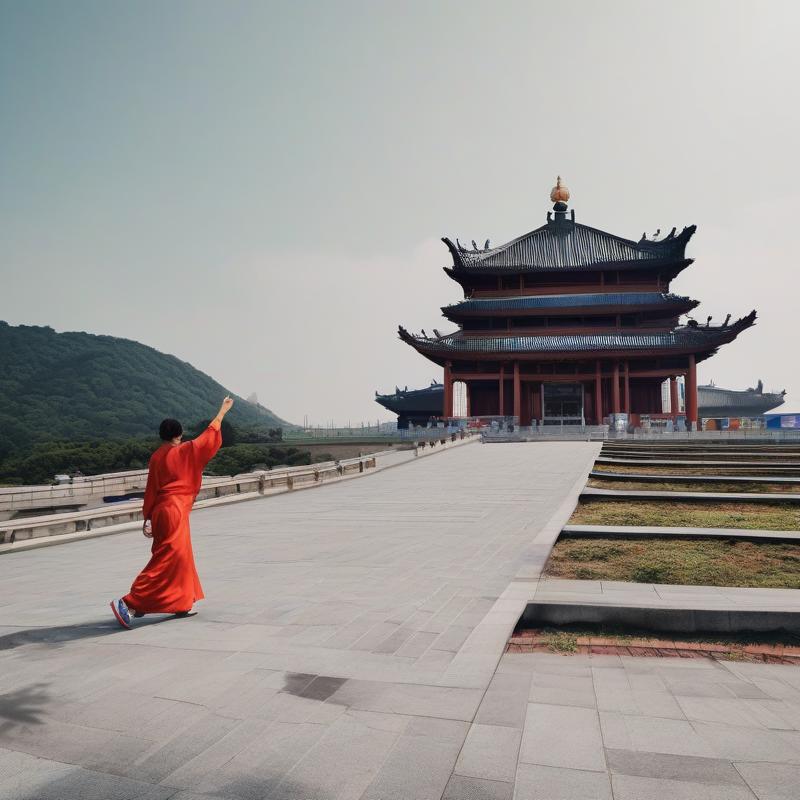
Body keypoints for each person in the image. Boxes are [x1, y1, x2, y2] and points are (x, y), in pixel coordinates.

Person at [110, 396, 234, 629]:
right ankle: (129, 603)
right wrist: (222, 411)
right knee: (168, 558)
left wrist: (148, 517)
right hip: (175, 510)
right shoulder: (186, 451)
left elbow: (151, 488)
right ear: (179, 434)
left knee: (180, 556)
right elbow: (209, 436)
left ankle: (181, 603)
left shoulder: (156, 456)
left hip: (161, 510)